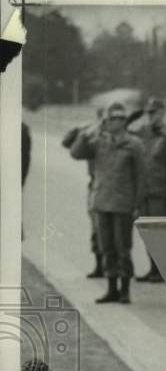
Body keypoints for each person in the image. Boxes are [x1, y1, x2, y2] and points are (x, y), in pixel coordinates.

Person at [70, 102, 146, 305]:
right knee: (107, 248)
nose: (114, 122)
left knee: (123, 247)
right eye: (110, 119)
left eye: (118, 119)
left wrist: (137, 205)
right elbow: (76, 153)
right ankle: (111, 289)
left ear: (123, 122)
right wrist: (91, 130)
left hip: (123, 204)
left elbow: (141, 177)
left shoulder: (134, 144)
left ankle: (125, 290)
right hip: (101, 202)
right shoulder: (98, 141)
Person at [130, 96, 166, 282]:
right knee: (146, 231)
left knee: (159, 232)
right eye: (149, 113)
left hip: (160, 190)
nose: (151, 116)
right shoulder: (142, 132)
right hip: (143, 190)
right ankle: (152, 268)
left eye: (154, 113)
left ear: (163, 113)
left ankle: (161, 270)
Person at [62, 108, 105, 278]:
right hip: (95, 184)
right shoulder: (91, 134)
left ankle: (113, 268)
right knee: (96, 227)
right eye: (102, 117)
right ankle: (99, 266)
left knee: (113, 230)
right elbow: (67, 143)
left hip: (116, 185)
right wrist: (83, 129)